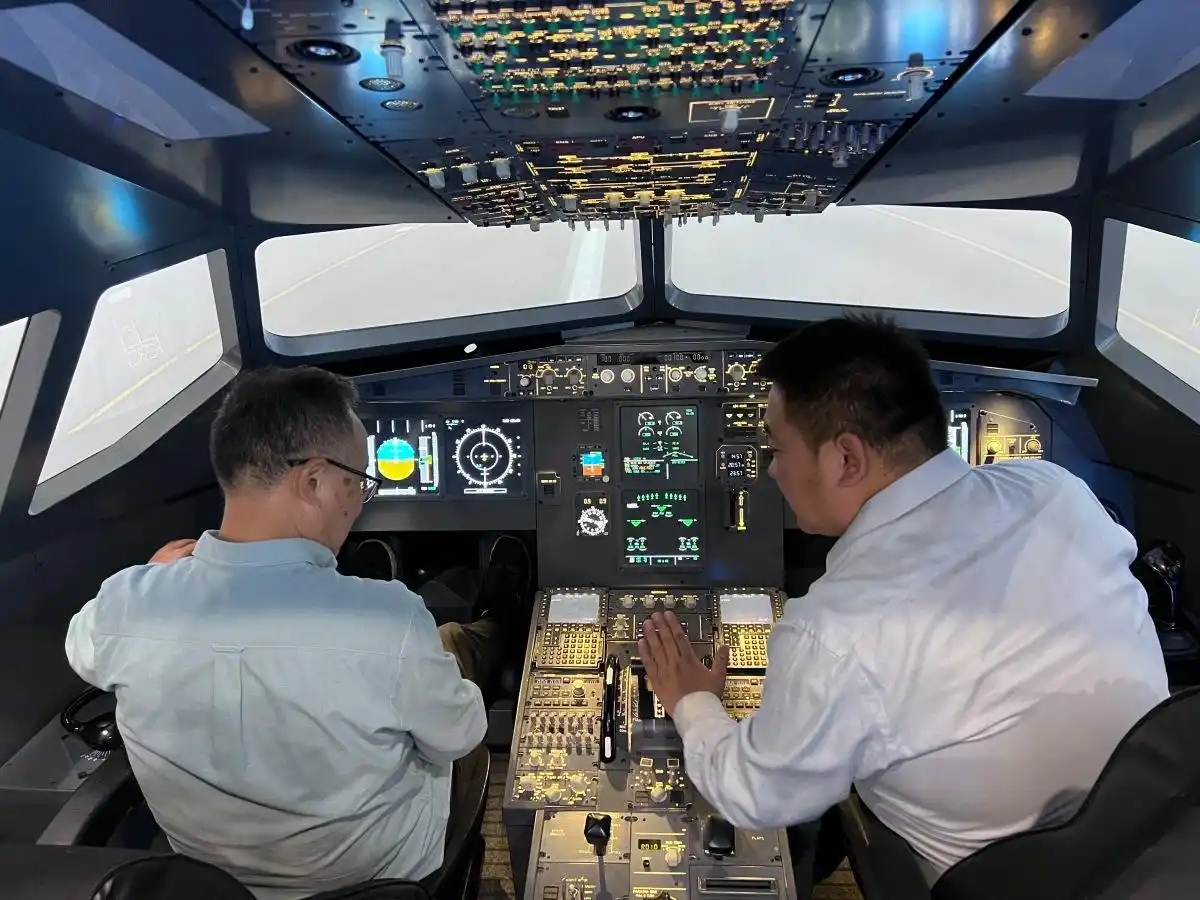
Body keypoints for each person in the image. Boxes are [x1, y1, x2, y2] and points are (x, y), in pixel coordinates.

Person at [638, 314, 1170, 889]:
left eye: (777, 447)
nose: (770, 470)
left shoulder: (837, 635)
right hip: (1160, 835)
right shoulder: (1056, 491)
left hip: (1002, 881)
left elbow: (754, 795)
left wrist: (692, 701)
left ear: (845, 459)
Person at [64, 366, 530, 900]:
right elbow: (459, 735)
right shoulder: (388, 618)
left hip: (213, 885)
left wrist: (150, 576)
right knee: (459, 700)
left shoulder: (125, 603)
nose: (358, 501)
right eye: (359, 482)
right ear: (313, 482)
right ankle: (500, 616)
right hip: (377, 883)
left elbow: (82, 646)